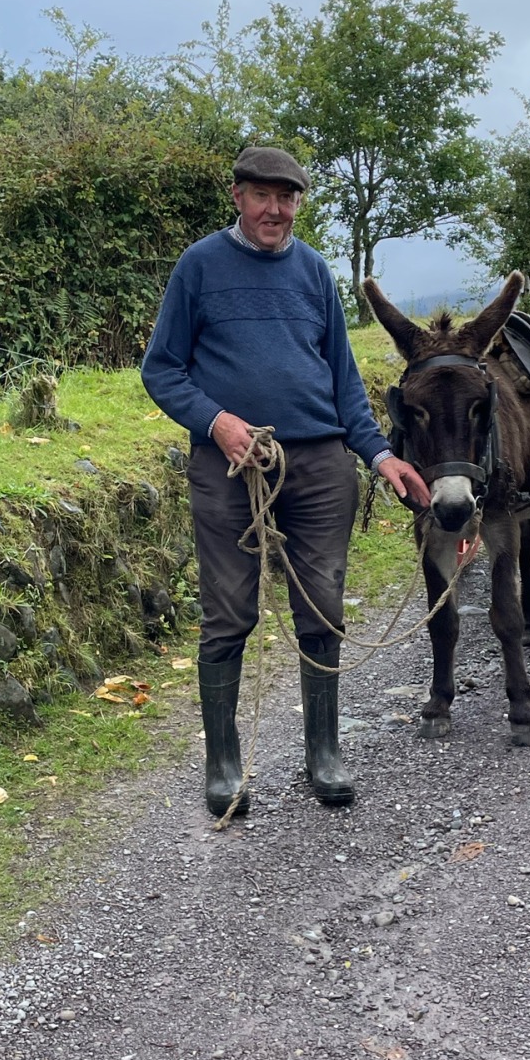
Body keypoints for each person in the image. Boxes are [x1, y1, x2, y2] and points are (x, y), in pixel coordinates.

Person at [141, 146, 429, 816]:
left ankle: (323, 754)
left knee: (323, 605)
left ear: (299, 202)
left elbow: (346, 382)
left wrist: (381, 457)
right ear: (237, 196)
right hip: (232, 465)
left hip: (323, 462)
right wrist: (217, 423)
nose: (276, 208)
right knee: (229, 612)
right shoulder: (199, 267)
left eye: (288, 196)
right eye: (263, 195)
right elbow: (162, 370)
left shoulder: (313, 272)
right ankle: (223, 764)